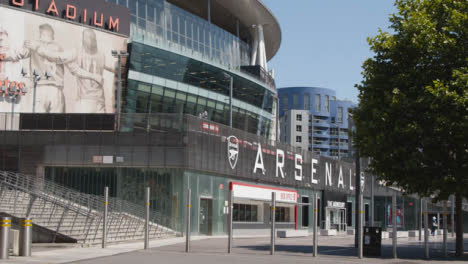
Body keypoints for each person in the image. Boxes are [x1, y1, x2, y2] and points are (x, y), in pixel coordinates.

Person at [1, 24, 102, 113]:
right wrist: (94, 77)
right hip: (56, 91)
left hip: (39, 89)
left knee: (36, 125)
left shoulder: (33, 45)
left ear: (41, 34)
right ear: (51, 35)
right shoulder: (59, 48)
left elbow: (15, 55)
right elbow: (74, 69)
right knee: (56, 126)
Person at [35, 29, 115, 113]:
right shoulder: (101, 55)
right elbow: (115, 68)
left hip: (85, 101)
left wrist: (39, 49)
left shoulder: (77, 52)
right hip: (98, 101)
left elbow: (57, 57)